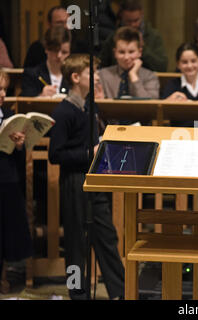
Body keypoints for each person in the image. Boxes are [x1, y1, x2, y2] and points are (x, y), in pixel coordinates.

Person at [48, 54, 124, 300]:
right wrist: (87, 152)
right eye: (92, 73)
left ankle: (120, 292)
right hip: (74, 182)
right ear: (75, 77)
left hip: (95, 177)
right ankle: (78, 294)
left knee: (106, 236)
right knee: (75, 242)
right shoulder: (63, 112)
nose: (98, 76)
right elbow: (55, 154)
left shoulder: (91, 106)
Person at [0, 71, 33, 291]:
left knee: (5, 232)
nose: (2, 94)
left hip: (6, 179)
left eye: (4, 90)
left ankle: (2, 276)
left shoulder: (8, 114)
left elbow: (18, 157)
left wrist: (19, 145)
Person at [99, 0, 168, 72]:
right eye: (128, 21)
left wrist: (142, 47)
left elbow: (162, 67)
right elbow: (102, 66)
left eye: (136, 20)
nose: (133, 24)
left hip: (146, 79)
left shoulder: (153, 36)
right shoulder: (113, 37)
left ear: (142, 15)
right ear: (121, 17)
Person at [98, 26, 159, 99]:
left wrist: (133, 76)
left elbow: (151, 105)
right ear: (115, 53)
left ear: (140, 52)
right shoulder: (102, 75)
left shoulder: (150, 77)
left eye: (131, 52)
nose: (126, 57)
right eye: (121, 52)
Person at [20, 26, 71, 97]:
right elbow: (24, 104)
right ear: (46, 49)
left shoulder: (74, 76)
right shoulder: (32, 75)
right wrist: (41, 96)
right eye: (55, 50)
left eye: (64, 52)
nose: (59, 56)